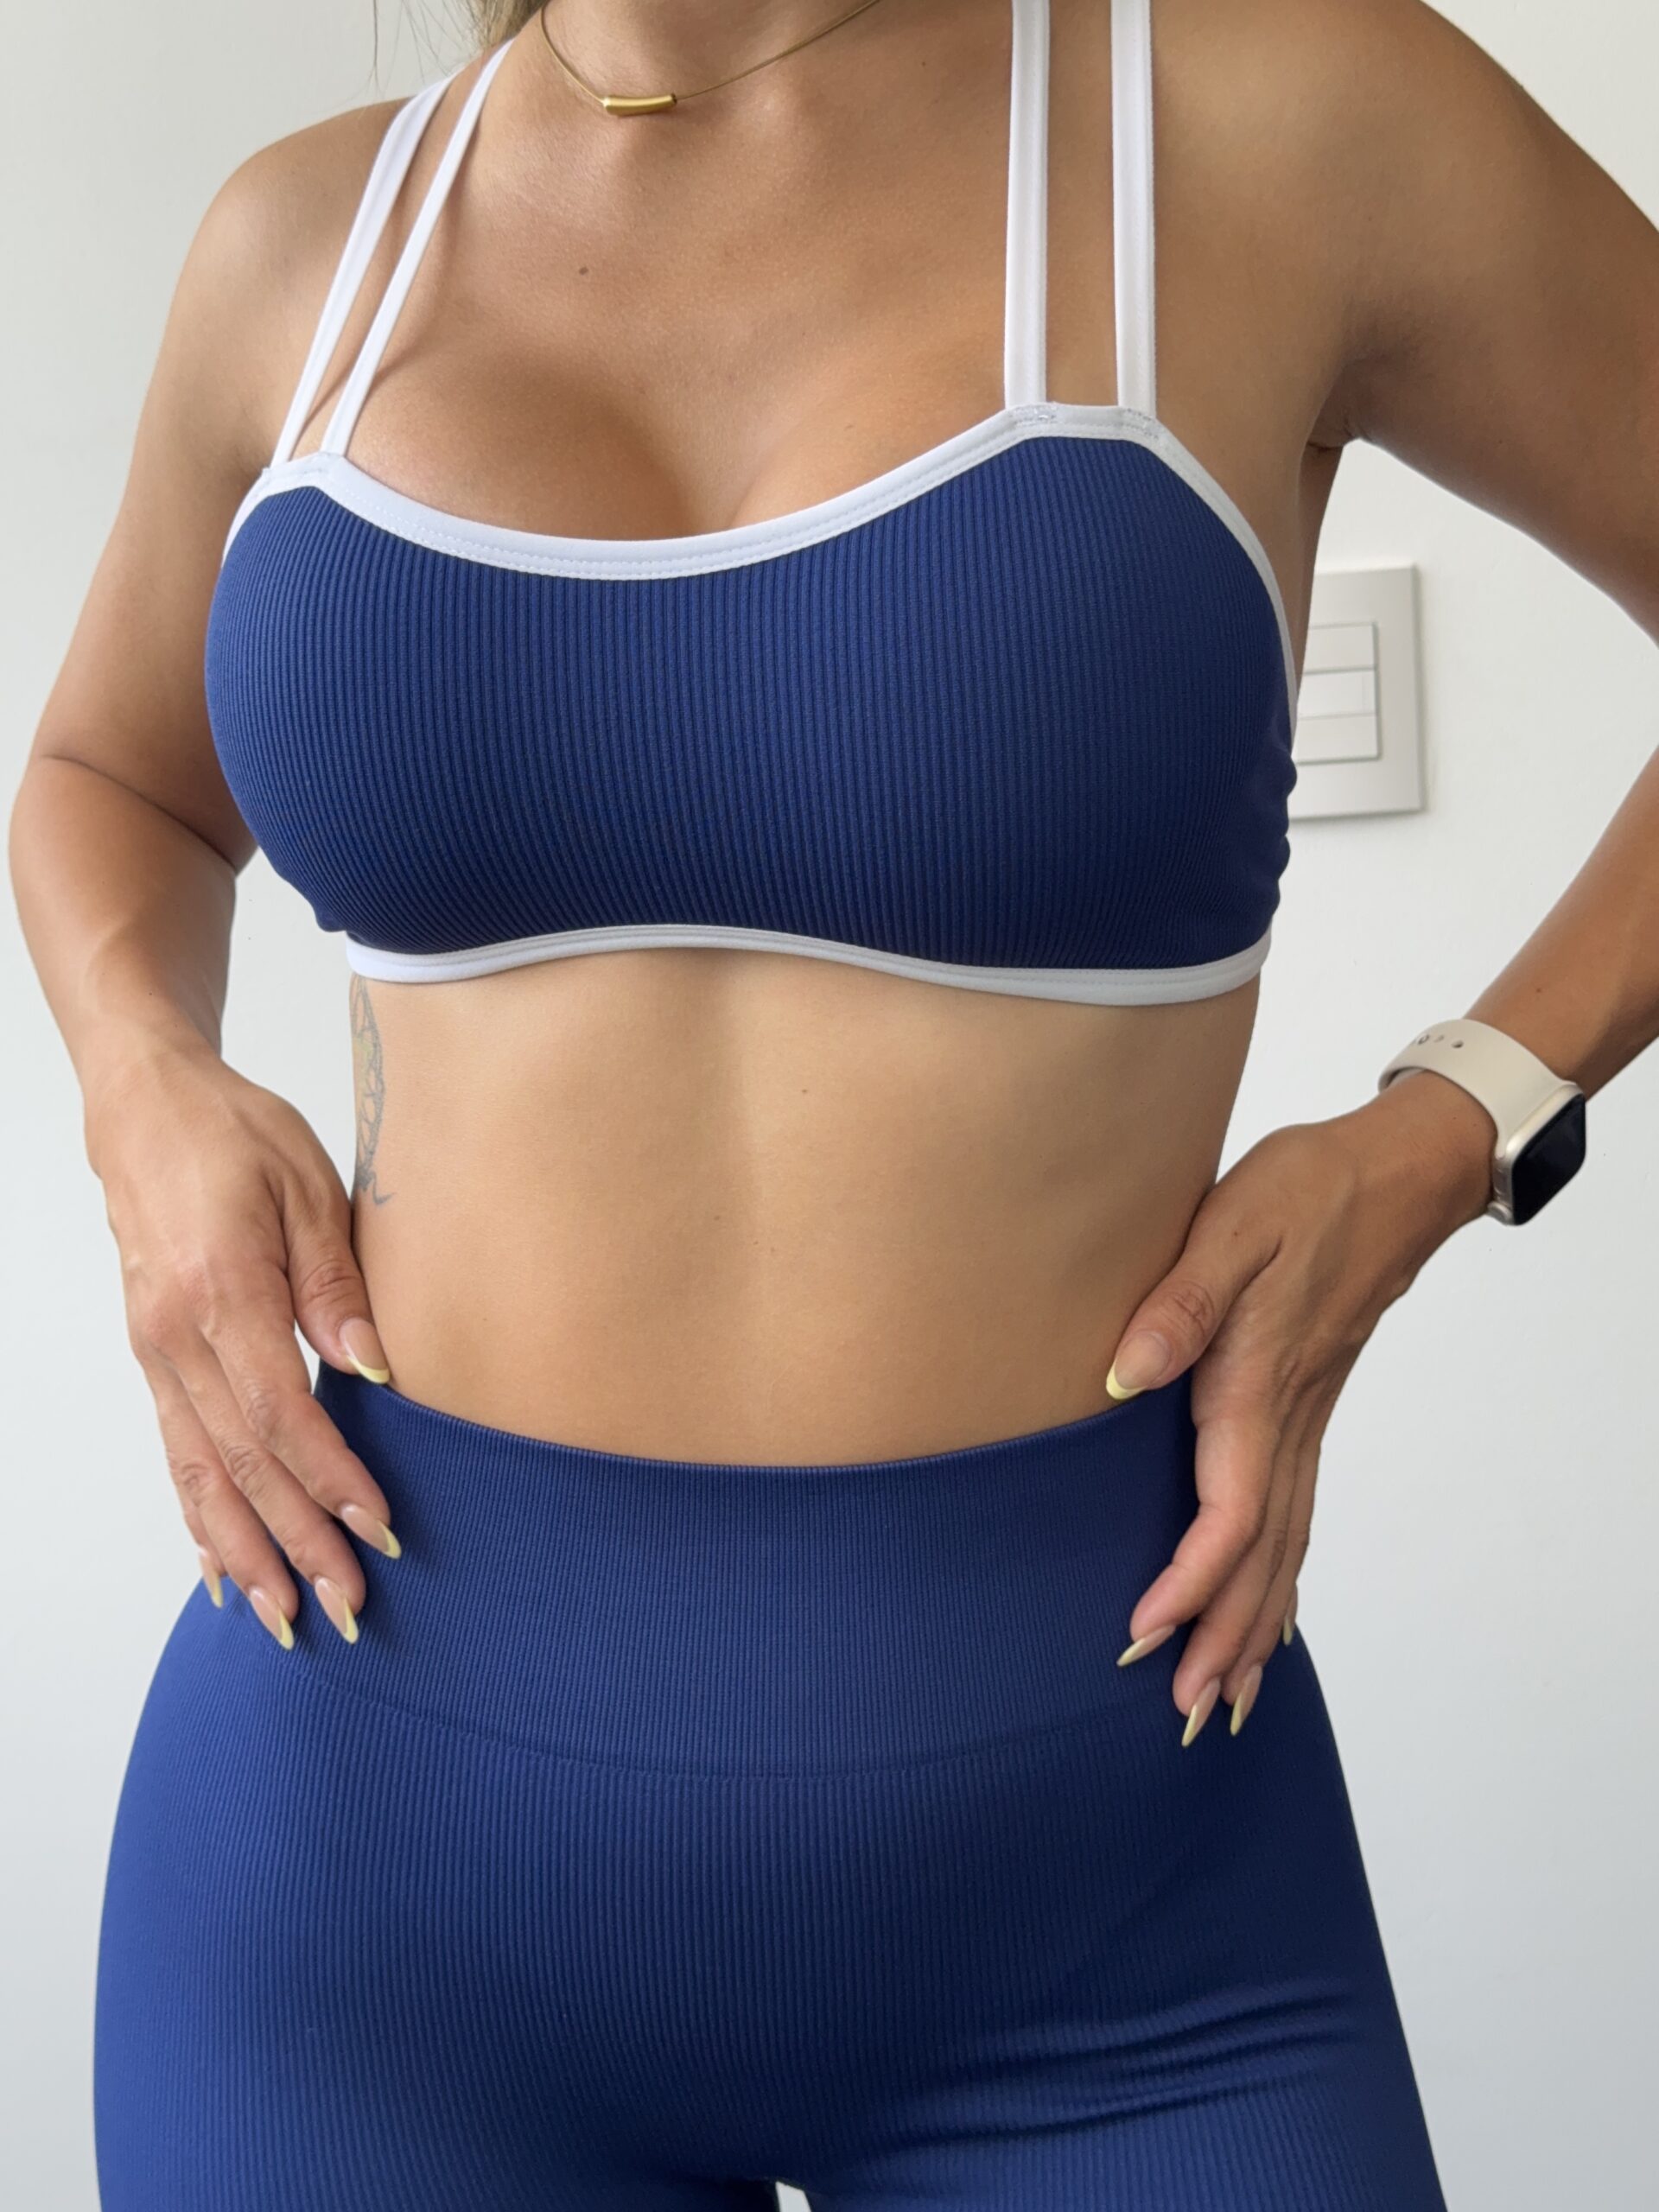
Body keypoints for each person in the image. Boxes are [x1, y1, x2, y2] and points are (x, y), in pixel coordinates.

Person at [10, 0, 1657, 2204]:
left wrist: (1453, 1120)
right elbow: (107, 775)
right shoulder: (313, 238)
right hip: (367, 1868)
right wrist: (142, 1089)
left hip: (1123, 1899)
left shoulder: (1274, 120)